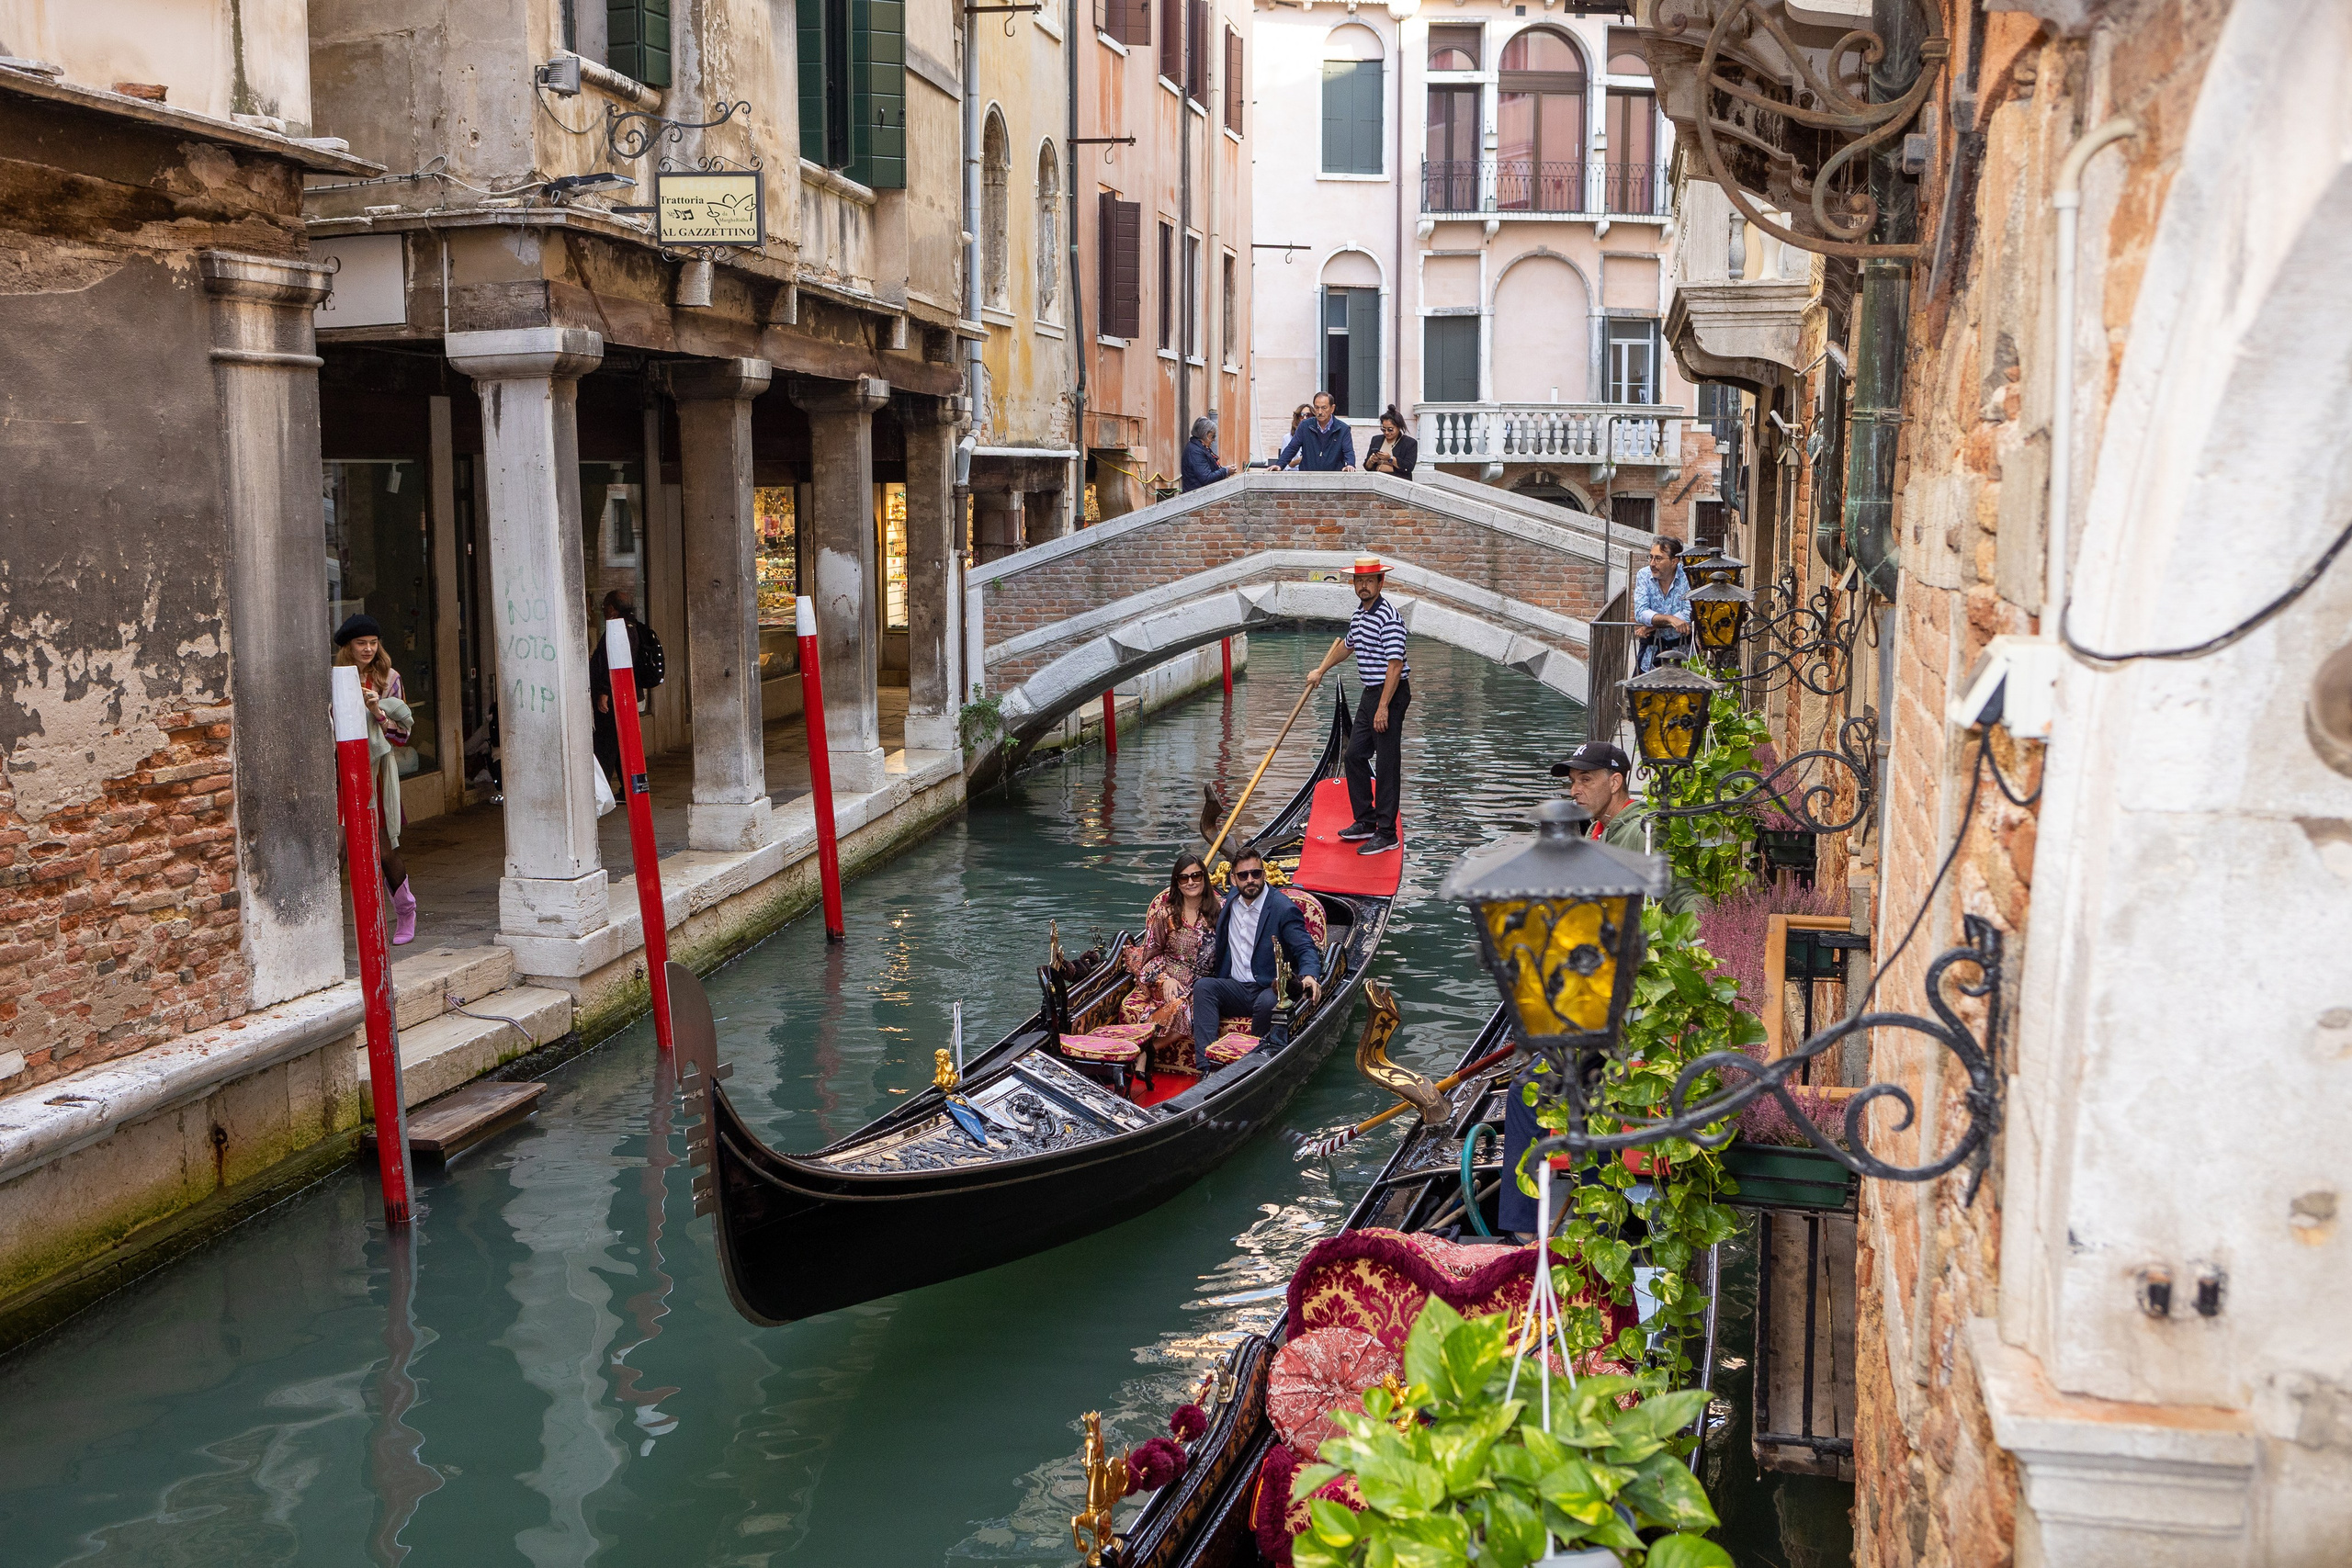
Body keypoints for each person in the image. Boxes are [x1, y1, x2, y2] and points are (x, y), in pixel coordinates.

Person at [1306, 556, 1408, 854]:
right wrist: (1321, 670)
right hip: (1371, 692)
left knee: (1387, 764)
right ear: (1354, 584)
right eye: (1359, 581)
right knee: (1353, 755)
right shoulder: (1360, 615)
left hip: (1391, 692)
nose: (1364, 585)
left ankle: (1387, 833)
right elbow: (1347, 647)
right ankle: (1366, 820)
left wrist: (1384, 707)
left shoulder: (1388, 616)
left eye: (1369, 581)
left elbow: (1395, 665)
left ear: (1380, 582)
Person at [334, 615, 419, 946]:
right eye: (360, 643)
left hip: (378, 774)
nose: (368, 649)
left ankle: (406, 909)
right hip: (343, 774)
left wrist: (378, 713)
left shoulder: (390, 679)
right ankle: (327, 926)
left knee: (384, 850)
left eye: (373, 642)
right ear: (348, 647)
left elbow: (403, 735)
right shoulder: (337, 678)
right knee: (337, 848)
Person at [1192, 846, 1323, 1057]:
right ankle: (1206, 1065)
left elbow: (1305, 947)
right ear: (1234, 880)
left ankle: (1252, 1061)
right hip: (1235, 988)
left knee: (1268, 1003)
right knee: (1204, 987)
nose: (1250, 879)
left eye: (1256, 873)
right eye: (1243, 875)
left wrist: (1309, 975)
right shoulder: (1231, 900)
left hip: (1268, 988)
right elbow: (1196, 896)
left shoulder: (1282, 908)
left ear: (1263, 874)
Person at [1120, 852, 1222, 1068]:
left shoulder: (1220, 912)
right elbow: (1149, 956)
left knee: (1193, 1000)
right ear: (1177, 883)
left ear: (1204, 877)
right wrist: (1165, 979)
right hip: (1165, 981)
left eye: (1196, 876)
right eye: (1184, 878)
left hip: (1203, 984)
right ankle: (1145, 1050)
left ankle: (1147, 1050)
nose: (1191, 882)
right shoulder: (1166, 914)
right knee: (1182, 1002)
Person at [588, 588, 662, 786]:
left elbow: (615, 663)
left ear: (612, 609)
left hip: (616, 695)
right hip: (627, 693)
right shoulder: (634, 627)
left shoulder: (619, 630)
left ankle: (599, 791)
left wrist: (604, 691)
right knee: (622, 746)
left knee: (606, 745)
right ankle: (629, 788)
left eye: (604, 607)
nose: (603, 611)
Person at [1633, 536, 1693, 671]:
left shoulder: (1688, 576)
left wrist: (1655, 625)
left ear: (1674, 562)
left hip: (1682, 653)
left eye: (1658, 558)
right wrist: (1670, 619)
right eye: (1651, 557)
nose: (1652, 563)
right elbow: (1640, 612)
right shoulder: (1643, 575)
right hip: (1651, 654)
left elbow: (1689, 613)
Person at [1276, 391, 1357, 472]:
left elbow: (1348, 451)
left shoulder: (1343, 429)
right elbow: (1292, 447)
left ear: (1332, 408)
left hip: (1333, 480)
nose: (1320, 412)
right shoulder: (1305, 426)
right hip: (1307, 479)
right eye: (1317, 408)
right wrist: (1279, 465)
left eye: (1324, 408)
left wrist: (1350, 464)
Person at [1362, 406, 1418, 480]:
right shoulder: (1376, 440)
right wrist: (1372, 460)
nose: (1387, 433)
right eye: (1383, 429)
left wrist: (1390, 458)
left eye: (1390, 430)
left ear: (1399, 427)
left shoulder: (1409, 443)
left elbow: (1408, 467)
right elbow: (1367, 467)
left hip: (1398, 481)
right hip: (1376, 479)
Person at [1181, 417, 1235, 492]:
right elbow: (1206, 478)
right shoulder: (1195, 451)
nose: (1214, 439)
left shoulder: (1200, 447)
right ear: (1206, 434)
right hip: (1197, 497)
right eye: (1213, 436)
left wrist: (1224, 471)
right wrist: (1226, 471)